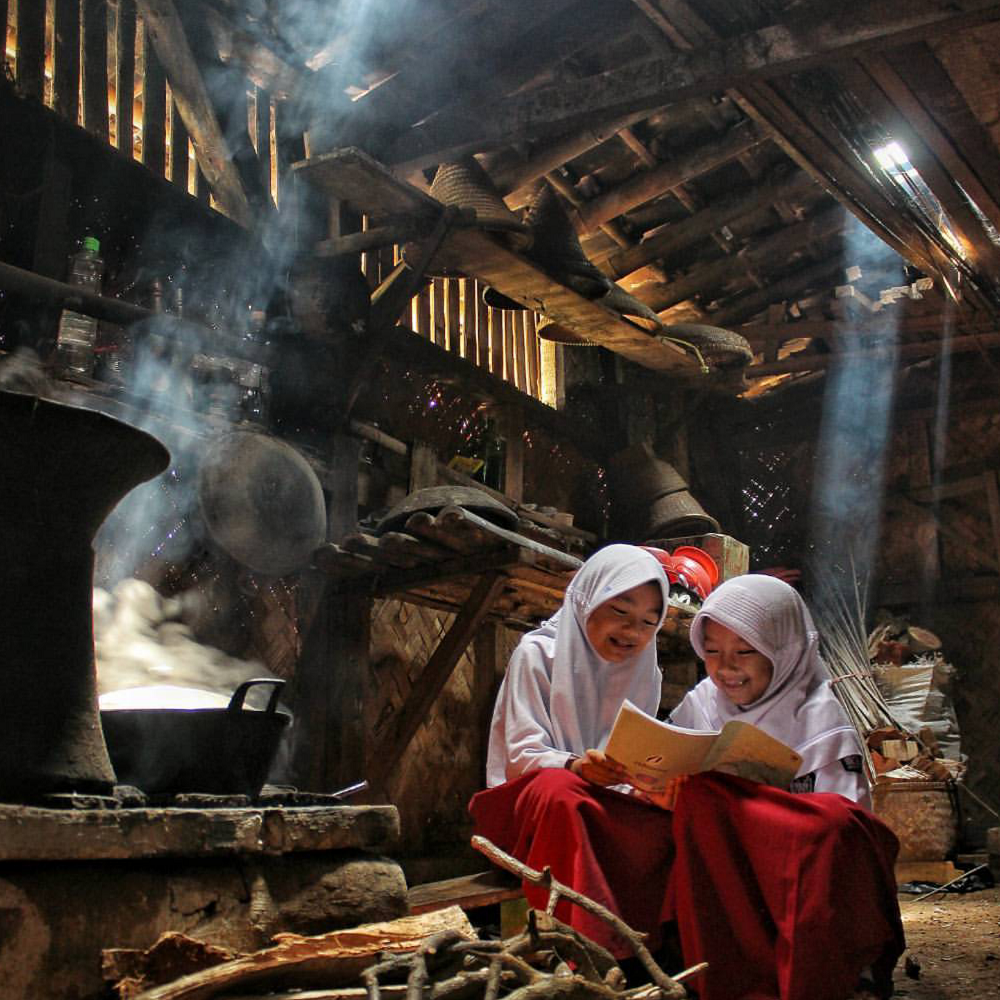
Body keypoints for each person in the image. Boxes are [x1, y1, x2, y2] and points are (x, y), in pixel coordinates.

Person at [471, 562, 904, 1000]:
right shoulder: (699, 701)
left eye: (747, 650)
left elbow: (845, 833)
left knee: (808, 819)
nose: (726, 668)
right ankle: (617, 953)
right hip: (595, 804)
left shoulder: (821, 722)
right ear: (587, 599)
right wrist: (651, 786)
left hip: (770, 855)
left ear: (785, 648)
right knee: (612, 798)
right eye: (712, 652)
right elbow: (543, 755)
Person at [472, 544, 676, 956]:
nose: (632, 632)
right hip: (533, 808)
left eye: (647, 623)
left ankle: (648, 952)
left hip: (601, 804)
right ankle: (584, 952)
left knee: (672, 818)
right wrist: (576, 765)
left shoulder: (645, 673)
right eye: (619, 611)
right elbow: (522, 755)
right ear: (588, 599)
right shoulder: (538, 654)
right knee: (560, 791)